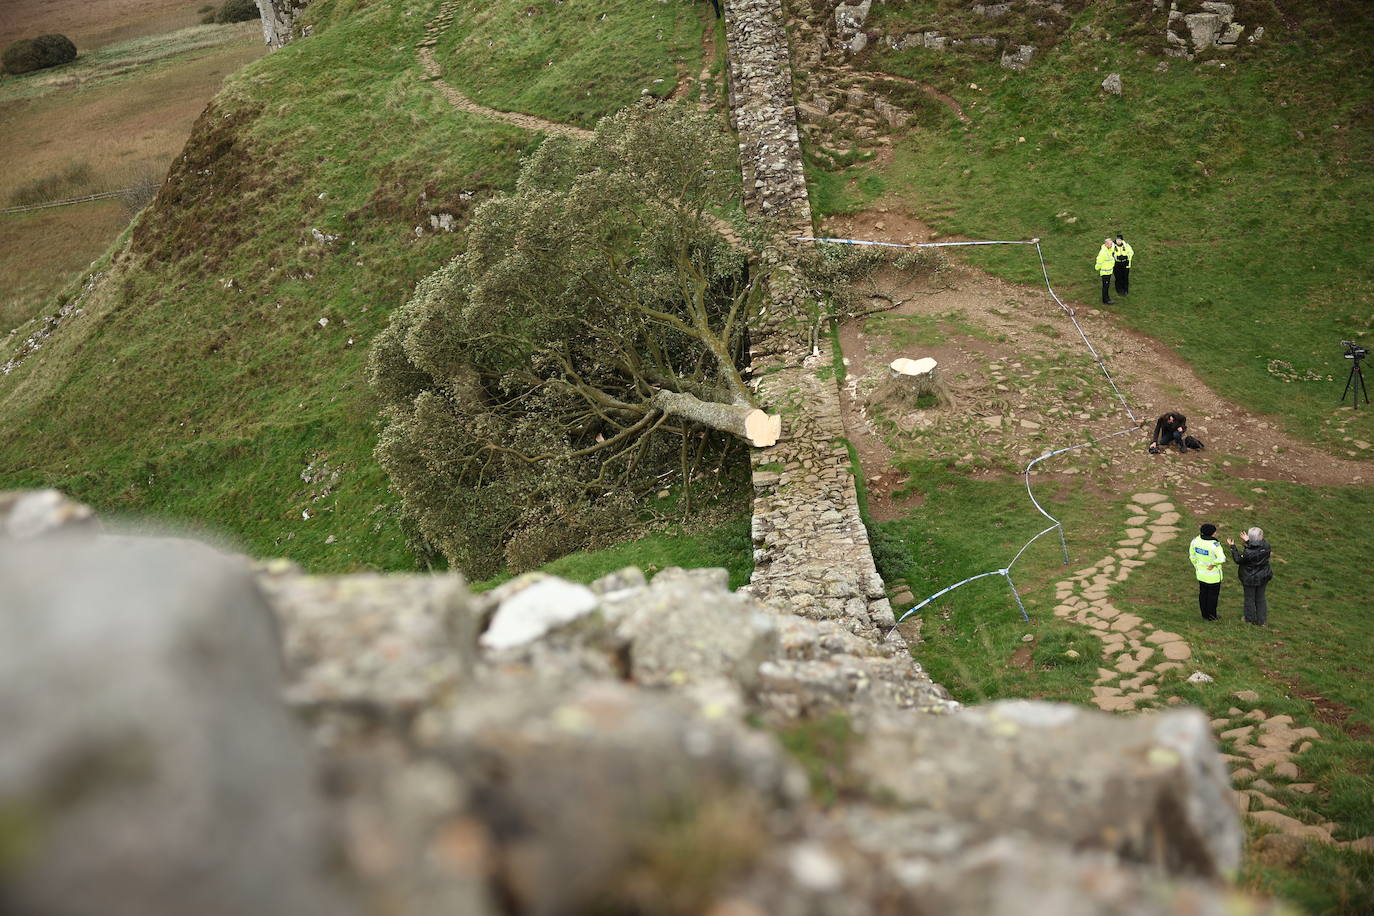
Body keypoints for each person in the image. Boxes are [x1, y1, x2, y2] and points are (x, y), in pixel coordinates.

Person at [1227, 527, 1273, 626]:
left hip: (1249, 578)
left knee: (1249, 598)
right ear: (1261, 536)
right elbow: (1257, 549)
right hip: (1263, 576)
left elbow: (1238, 560)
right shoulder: (1267, 546)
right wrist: (1248, 541)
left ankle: (1249, 618)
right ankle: (1262, 621)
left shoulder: (1248, 552)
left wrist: (1233, 547)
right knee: (1260, 598)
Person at [1189, 523, 1225, 621]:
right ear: (1212, 533)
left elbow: (1192, 556)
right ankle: (1212, 616)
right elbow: (1222, 558)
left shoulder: (1195, 541)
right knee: (1212, 597)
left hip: (1201, 574)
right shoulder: (1215, 545)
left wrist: (1197, 565)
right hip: (1213, 577)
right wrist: (1213, 564)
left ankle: (1204, 614)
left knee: (1203, 594)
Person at [1095, 238, 1116, 305]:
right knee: (1105, 286)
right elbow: (1099, 261)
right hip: (1105, 272)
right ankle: (1105, 300)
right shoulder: (1103, 253)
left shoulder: (1109, 250)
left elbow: (1114, 247)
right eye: (1110, 244)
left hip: (1109, 272)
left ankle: (1107, 298)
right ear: (1106, 244)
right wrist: (1097, 268)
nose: (1112, 245)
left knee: (1107, 286)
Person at [1113, 233, 1133, 297]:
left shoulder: (1126, 245)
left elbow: (1131, 252)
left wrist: (1126, 257)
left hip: (1125, 263)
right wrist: (1117, 257)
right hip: (1116, 264)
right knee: (1118, 277)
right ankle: (1119, 290)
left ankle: (1125, 290)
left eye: (1119, 240)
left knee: (1125, 277)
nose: (1118, 241)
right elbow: (1111, 254)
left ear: (1122, 240)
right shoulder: (1112, 246)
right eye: (1117, 240)